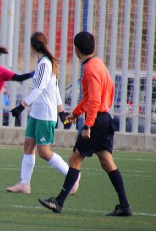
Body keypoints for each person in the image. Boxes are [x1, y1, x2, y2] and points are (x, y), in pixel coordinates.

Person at [38, 31, 132, 216]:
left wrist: (88, 125)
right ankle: (125, 206)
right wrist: (75, 114)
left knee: (75, 159)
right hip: (104, 118)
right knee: (107, 162)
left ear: (76, 50)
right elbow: (93, 97)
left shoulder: (90, 69)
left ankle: (58, 202)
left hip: (96, 120)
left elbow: (94, 100)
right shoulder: (99, 64)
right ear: (93, 47)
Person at [6, 32, 80, 194]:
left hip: (45, 115)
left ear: (32, 48)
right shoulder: (44, 63)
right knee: (28, 145)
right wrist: (62, 113)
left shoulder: (45, 64)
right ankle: (24, 184)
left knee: (44, 152)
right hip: (36, 114)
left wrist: (21, 106)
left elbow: (39, 89)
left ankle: (72, 176)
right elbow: (54, 90)